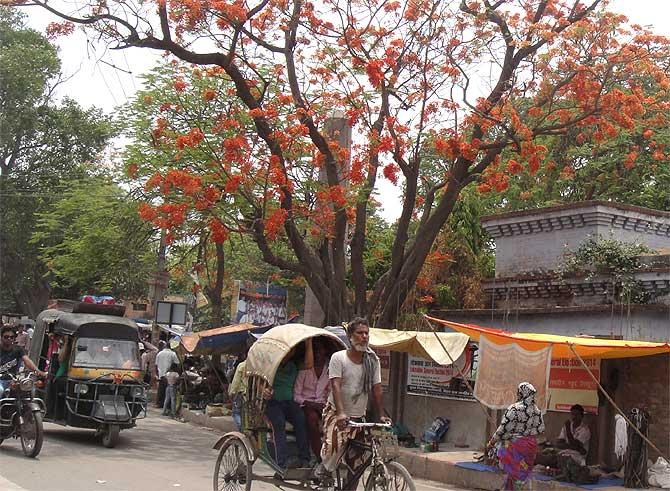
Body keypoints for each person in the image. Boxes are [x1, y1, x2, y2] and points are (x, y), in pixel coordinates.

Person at [319, 317, 389, 482]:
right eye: (360, 333)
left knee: (357, 463)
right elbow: (335, 386)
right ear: (350, 336)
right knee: (333, 446)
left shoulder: (373, 360)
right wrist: (341, 413)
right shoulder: (339, 358)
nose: (364, 336)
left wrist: (381, 414)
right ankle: (324, 468)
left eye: (366, 333)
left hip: (358, 417)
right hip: (336, 412)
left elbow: (377, 390)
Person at [488, 382, 545, 491]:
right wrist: (527, 431)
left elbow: (502, 429)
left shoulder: (514, 408)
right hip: (530, 447)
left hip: (515, 446)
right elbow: (541, 429)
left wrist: (491, 443)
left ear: (521, 393)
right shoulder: (537, 411)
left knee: (510, 465)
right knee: (522, 471)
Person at [264, 344, 312, 470]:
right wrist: (263, 391)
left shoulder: (293, 365)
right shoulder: (271, 365)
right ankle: (282, 462)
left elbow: (308, 364)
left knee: (301, 419)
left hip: (289, 402)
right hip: (273, 403)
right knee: (279, 423)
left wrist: (309, 342)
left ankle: (305, 458)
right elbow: (259, 381)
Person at [294, 339, 330, 462]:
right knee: (312, 420)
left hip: (323, 405)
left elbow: (331, 391)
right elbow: (296, 395)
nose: (318, 354)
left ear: (325, 351)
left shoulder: (330, 369)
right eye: (315, 351)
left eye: (320, 351)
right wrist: (311, 404)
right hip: (306, 405)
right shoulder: (304, 369)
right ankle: (320, 457)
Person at [0, 326, 47, 398]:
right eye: (6, 337)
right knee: (0, 390)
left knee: (29, 390)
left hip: (13, 380)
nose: (9, 339)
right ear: (1, 337)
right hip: (0, 380)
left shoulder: (18, 349)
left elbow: (27, 360)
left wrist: (38, 371)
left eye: (11, 337)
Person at [155, 341, 179, 408]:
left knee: (161, 390)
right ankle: (168, 406)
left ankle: (159, 403)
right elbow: (177, 363)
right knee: (169, 393)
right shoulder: (173, 354)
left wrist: (157, 373)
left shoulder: (159, 353)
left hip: (161, 374)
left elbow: (156, 365)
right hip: (169, 375)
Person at [229, 357, 248, 430]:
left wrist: (232, 392)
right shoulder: (257, 366)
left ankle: (242, 429)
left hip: (242, 393)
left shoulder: (242, 365)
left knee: (236, 413)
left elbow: (236, 381)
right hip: (253, 394)